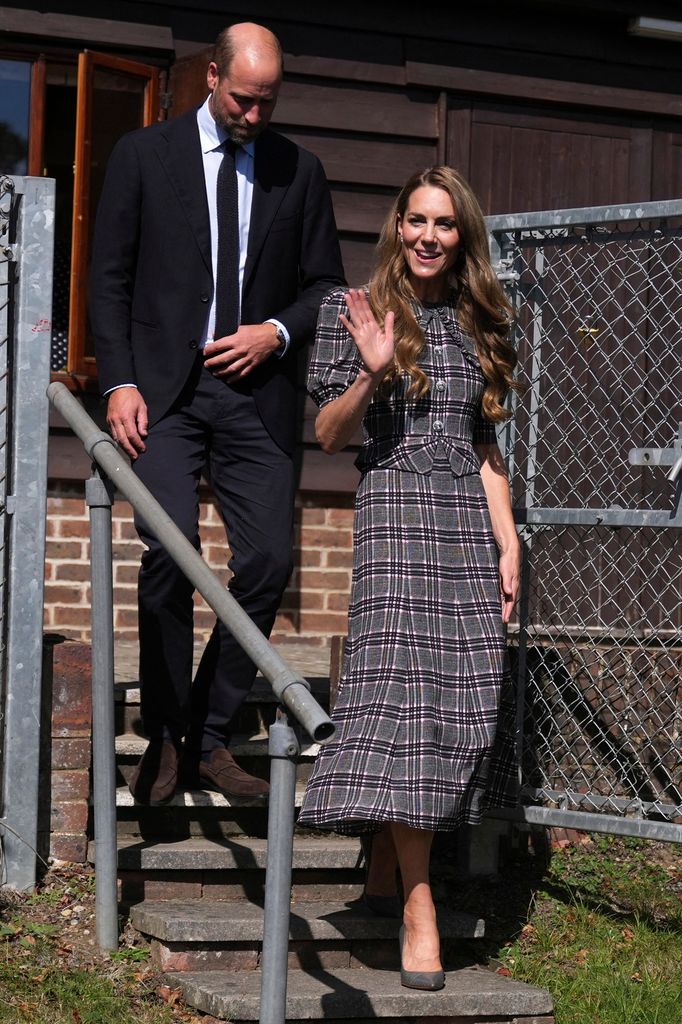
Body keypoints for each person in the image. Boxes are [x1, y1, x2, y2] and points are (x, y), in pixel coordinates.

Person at [89, 23, 345, 806]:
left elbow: (323, 288)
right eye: (243, 99)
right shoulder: (144, 155)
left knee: (268, 562)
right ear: (211, 77)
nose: (255, 116)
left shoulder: (299, 172)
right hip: (162, 393)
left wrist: (273, 333)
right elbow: (109, 279)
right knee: (169, 553)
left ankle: (207, 734)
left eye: (268, 102)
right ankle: (164, 737)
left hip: (254, 397)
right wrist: (119, 383)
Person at [297, 166, 520, 990]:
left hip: (466, 523)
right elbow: (325, 433)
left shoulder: (483, 321)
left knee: (464, 691)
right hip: (394, 519)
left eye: (446, 224)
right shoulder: (349, 312)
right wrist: (371, 371)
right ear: (396, 225)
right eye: (417, 220)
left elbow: (486, 447)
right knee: (406, 695)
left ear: (463, 236)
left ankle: (386, 869)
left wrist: (509, 542)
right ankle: (420, 905)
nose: (429, 236)